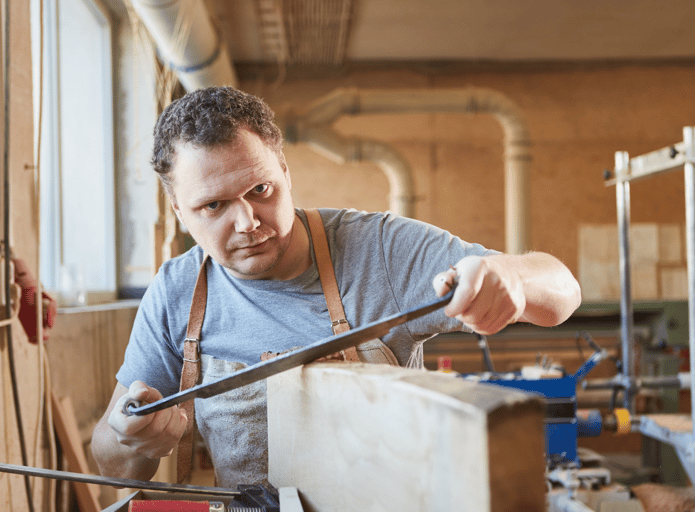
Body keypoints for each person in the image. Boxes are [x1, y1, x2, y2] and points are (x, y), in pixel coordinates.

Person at [91, 86, 581, 488]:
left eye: (260, 191)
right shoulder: (178, 292)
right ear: (178, 210)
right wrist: (133, 441)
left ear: (284, 170)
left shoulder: (380, 250)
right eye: (213, 206)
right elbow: (110, 463)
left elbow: (562, 292)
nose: (247, 222)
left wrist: (513, 277)